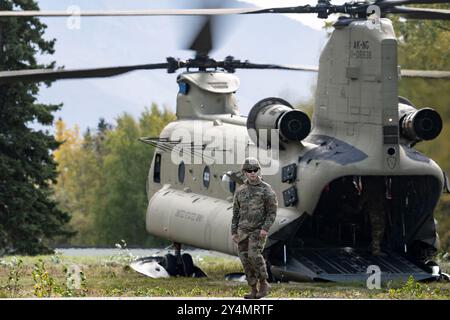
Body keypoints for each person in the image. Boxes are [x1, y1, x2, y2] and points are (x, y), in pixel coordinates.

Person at [231, 157, 278, 299]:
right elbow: (236, 213)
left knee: (254, 255)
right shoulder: (241, 191)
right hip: (243, 231)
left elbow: (272, 211)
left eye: (255, 170)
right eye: (249, 170)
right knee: (245, 259)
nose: (252, 173)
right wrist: (233, 232)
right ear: (244, 172)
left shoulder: (266, 189)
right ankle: (253, 288)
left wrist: (265, 228)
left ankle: (264, 283)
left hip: (258, 230)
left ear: (259, 170)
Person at [358, 176, 387, 256]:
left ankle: (373, 247)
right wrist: (360, 205)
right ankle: (375, 249)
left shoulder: (376, 184)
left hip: (378, 208)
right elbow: (365, 195)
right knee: (377, 229)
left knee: (380, 228)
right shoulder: (372, 184)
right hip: (374, 208)